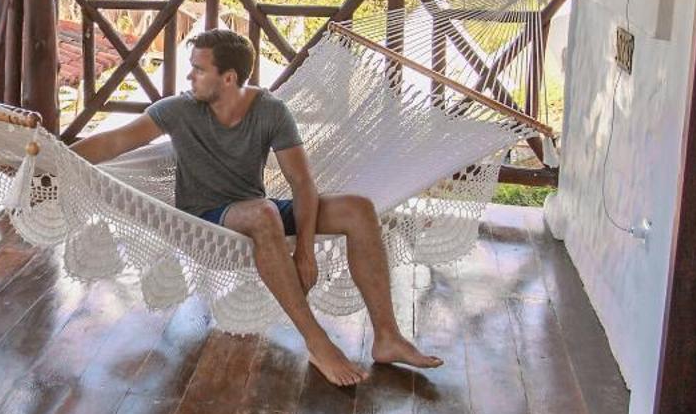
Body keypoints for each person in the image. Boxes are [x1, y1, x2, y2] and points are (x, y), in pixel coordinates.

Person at [70, 29, 441, 386]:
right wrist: (56, 155)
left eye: (199, 69)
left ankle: (387, 337)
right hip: (204, 219)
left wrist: (306, 251)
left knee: (358, 209)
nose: (189, 75)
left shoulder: (269, 111)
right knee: (262, 212)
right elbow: (112, 142)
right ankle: (317, 341)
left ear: (228, 78)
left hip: (256, 209)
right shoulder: (178, 110)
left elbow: (302, 183)